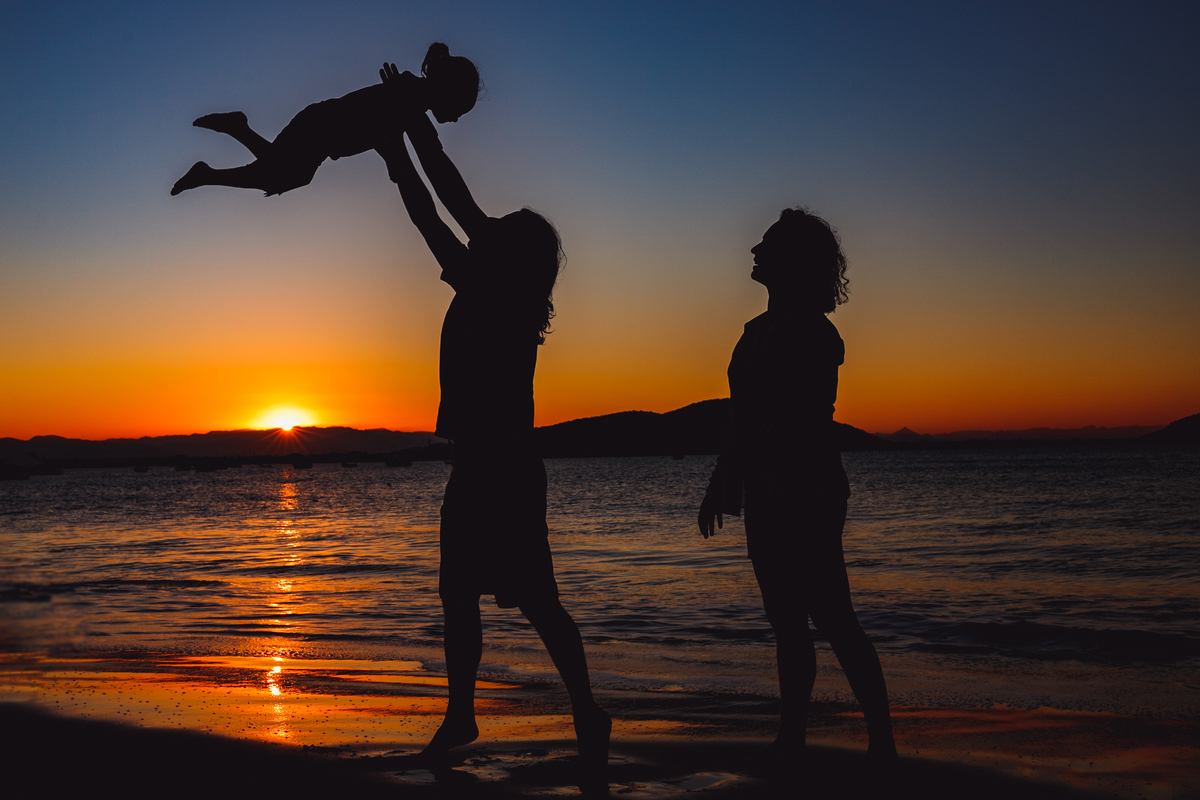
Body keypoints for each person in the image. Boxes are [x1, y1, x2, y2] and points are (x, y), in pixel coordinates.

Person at [373, 63, 610, 786]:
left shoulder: (496, 293)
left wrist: (401, 134)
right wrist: (401, 132)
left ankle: (586, 712)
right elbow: (440, 202)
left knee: (536, 601)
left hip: (501, 469)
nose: (488, 224)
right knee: (459, 592)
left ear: (514, 257)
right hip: (481, 466)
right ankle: (463, 712)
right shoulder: (491, 280)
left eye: (499, 229)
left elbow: (441, 201)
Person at [697, 209, 897, 774]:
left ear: (790, 262)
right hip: (768, 486)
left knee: (833, 615)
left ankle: (881, 742)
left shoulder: (811, 332)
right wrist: (725, 481)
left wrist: (729, 477)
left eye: (767, 244)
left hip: (805, 485)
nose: (754, 249)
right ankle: (793, 739)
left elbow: (779, 417)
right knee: (788, 621)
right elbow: (744, 420)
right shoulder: (760, 331)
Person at [170, 43, 479, 197]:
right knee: (279, 176)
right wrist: (395, 166)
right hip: (319, 129)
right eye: (459, 110)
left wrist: (391, 162)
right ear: (448, 91)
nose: (454, 120)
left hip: (321, 132)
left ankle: (228, 143)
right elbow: (392, 134)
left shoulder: (410, 94)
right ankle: (213, 164)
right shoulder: (410, 96)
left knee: (279, 174)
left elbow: (383, 134)